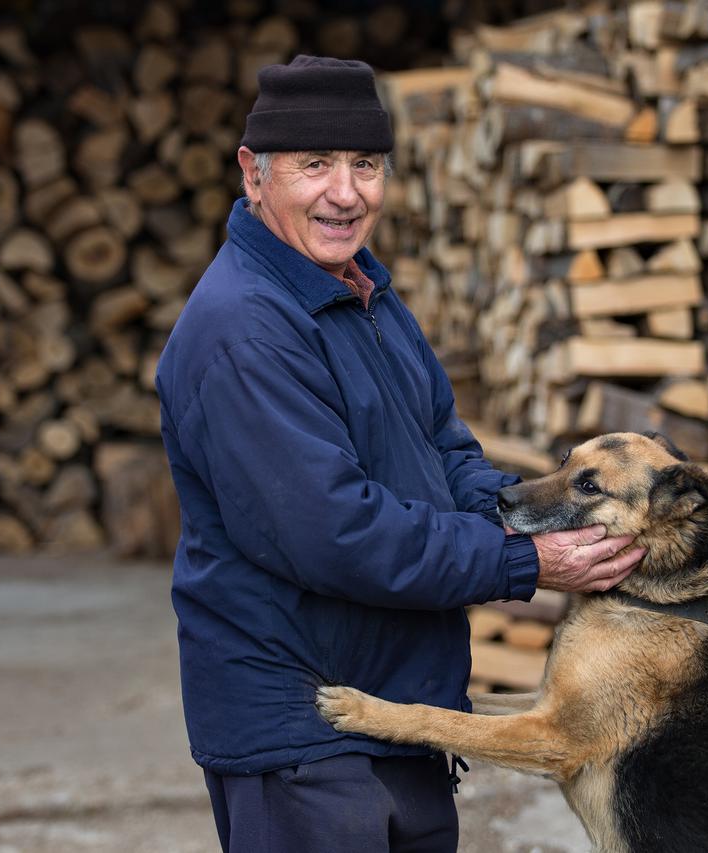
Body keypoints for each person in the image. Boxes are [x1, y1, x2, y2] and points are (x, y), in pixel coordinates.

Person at [154, 55, 645, 853]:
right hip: (305, 726)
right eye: (315, 164)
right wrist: (526, 565)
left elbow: (447, 453)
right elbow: (335, 532)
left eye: (365, 165)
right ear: (254, 173)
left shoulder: (360, 294)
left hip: (396, 710)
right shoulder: (244, 330)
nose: (345, 193)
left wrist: (536, 518)